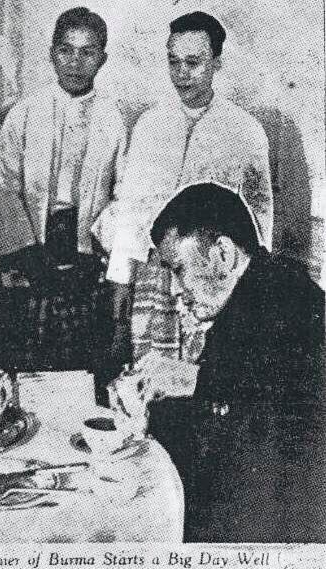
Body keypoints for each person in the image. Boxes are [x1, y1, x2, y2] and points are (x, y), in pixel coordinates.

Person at [138, 182, 325, 542]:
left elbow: (283, 406)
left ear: (223, 255)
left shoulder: (290, 300)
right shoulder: (255, 292)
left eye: (178, 269)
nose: (175, 289)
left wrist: (193, 379)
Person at [93, 11, 273, 363]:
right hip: (153, 275)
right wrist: (120, 288)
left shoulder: (245, 131)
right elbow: (131, 213)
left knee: (204, 374)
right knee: (150, 374)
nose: (181, 73)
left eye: (193, 62)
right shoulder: (150, 125)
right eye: (173, 62)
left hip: (210, 278)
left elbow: (260, 222)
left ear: (217, 63)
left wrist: (248, 295)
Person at [0, 7, 127, 378]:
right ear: (52, 52)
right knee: (28, 366)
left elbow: (123, 193)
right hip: (31, 262)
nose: (75, 62)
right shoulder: (24, 114)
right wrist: (27, 254)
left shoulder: (113, 120)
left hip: (86, 264)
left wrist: (93, 248)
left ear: (102, 59)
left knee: (80, 370)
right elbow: (5, 187)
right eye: (66, 50)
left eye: (87, 52)